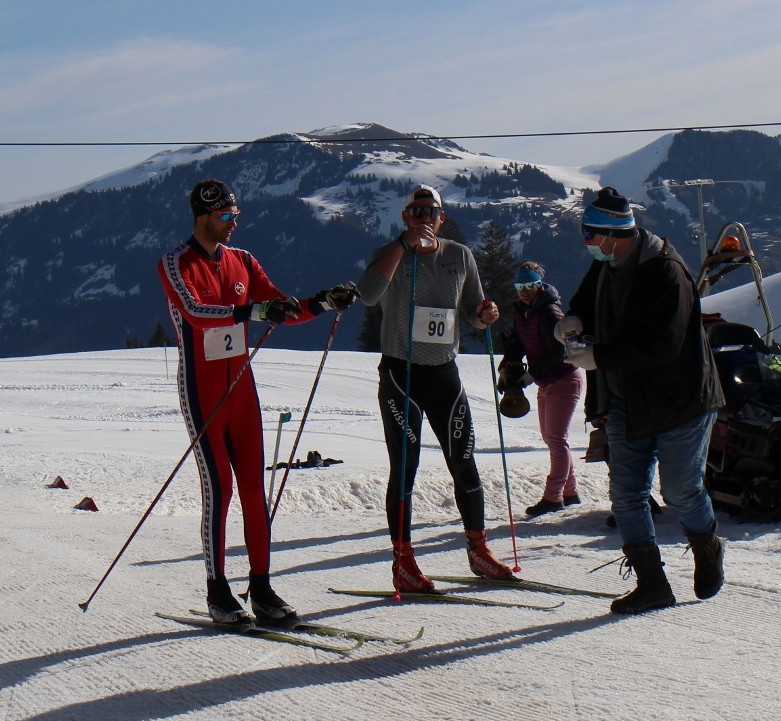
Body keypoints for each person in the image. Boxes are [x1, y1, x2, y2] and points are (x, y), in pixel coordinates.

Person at [158, 178, 357, 624]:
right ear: (204, 216)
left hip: (242, 389)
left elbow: (281, 307)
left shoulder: (243, 260)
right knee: (219, 490)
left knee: (253, 489)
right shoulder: (176, 261)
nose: (233, 225)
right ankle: (218, 591)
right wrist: (251, 312)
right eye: (226, 217)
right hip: (202, 389)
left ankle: (262, 587)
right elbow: (195, 312)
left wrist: (323, 302)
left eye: (236, 217)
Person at [556, 186, 726, 614]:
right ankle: (653, 584)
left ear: (614, 233)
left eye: (590, 236)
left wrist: (600, 356)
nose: (587, 245)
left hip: (679, 399)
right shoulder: (609, 263)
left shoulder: (665, 271)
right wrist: (574, 319)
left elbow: (663, 344)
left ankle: (707, 545)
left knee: (681, 492)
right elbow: (586, 300)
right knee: (627, 494)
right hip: (625, 397)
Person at [357, 184, 514, 592]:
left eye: (432, 212)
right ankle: (403, 561)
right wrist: (402, 245)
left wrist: (485, 314)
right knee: (405, 469)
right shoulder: (389, 253)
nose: (425, 218)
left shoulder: (459, 255)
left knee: (463, 459)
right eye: (416, 212)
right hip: (400, 375)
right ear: (405, 217)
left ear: (442, 218)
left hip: (444, 372)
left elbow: (475, 310)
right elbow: (368, 295)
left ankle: (479, 548)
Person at [499, 262, 585, 517]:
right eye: (520, 286)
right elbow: (519, 342)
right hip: (547, 381)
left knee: (556, 440)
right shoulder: (521, 311)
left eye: (530, 285)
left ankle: (553, 497)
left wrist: (528, 377)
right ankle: (570, 492)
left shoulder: (549, 312)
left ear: (539, 285)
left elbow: (559, 351)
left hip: (564, 378)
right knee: (552, 439)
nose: (524, 291)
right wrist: (509, 365)